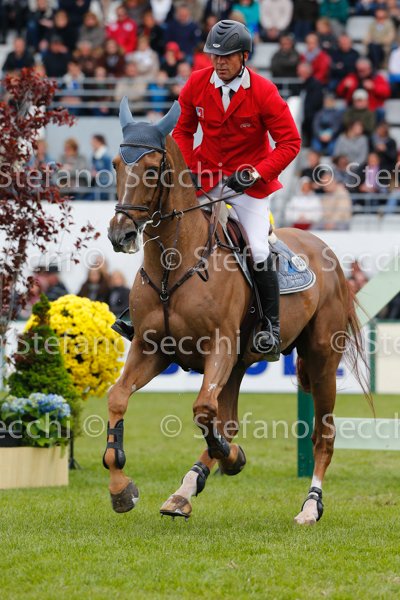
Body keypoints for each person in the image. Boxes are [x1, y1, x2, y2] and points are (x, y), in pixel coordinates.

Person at [172, 20, 301, 359]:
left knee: (257, 248)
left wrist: (257, 172)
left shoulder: (264, 91)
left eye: (227, 56)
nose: (219, 62)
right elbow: (183, 131)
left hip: (248, 185)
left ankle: (270, 328)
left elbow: (290, 142)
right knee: (171, 226)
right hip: (205, 177)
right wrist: (188, 169)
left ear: (244, 56)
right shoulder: (197, 83)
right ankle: (142, 311)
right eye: (214, 56)